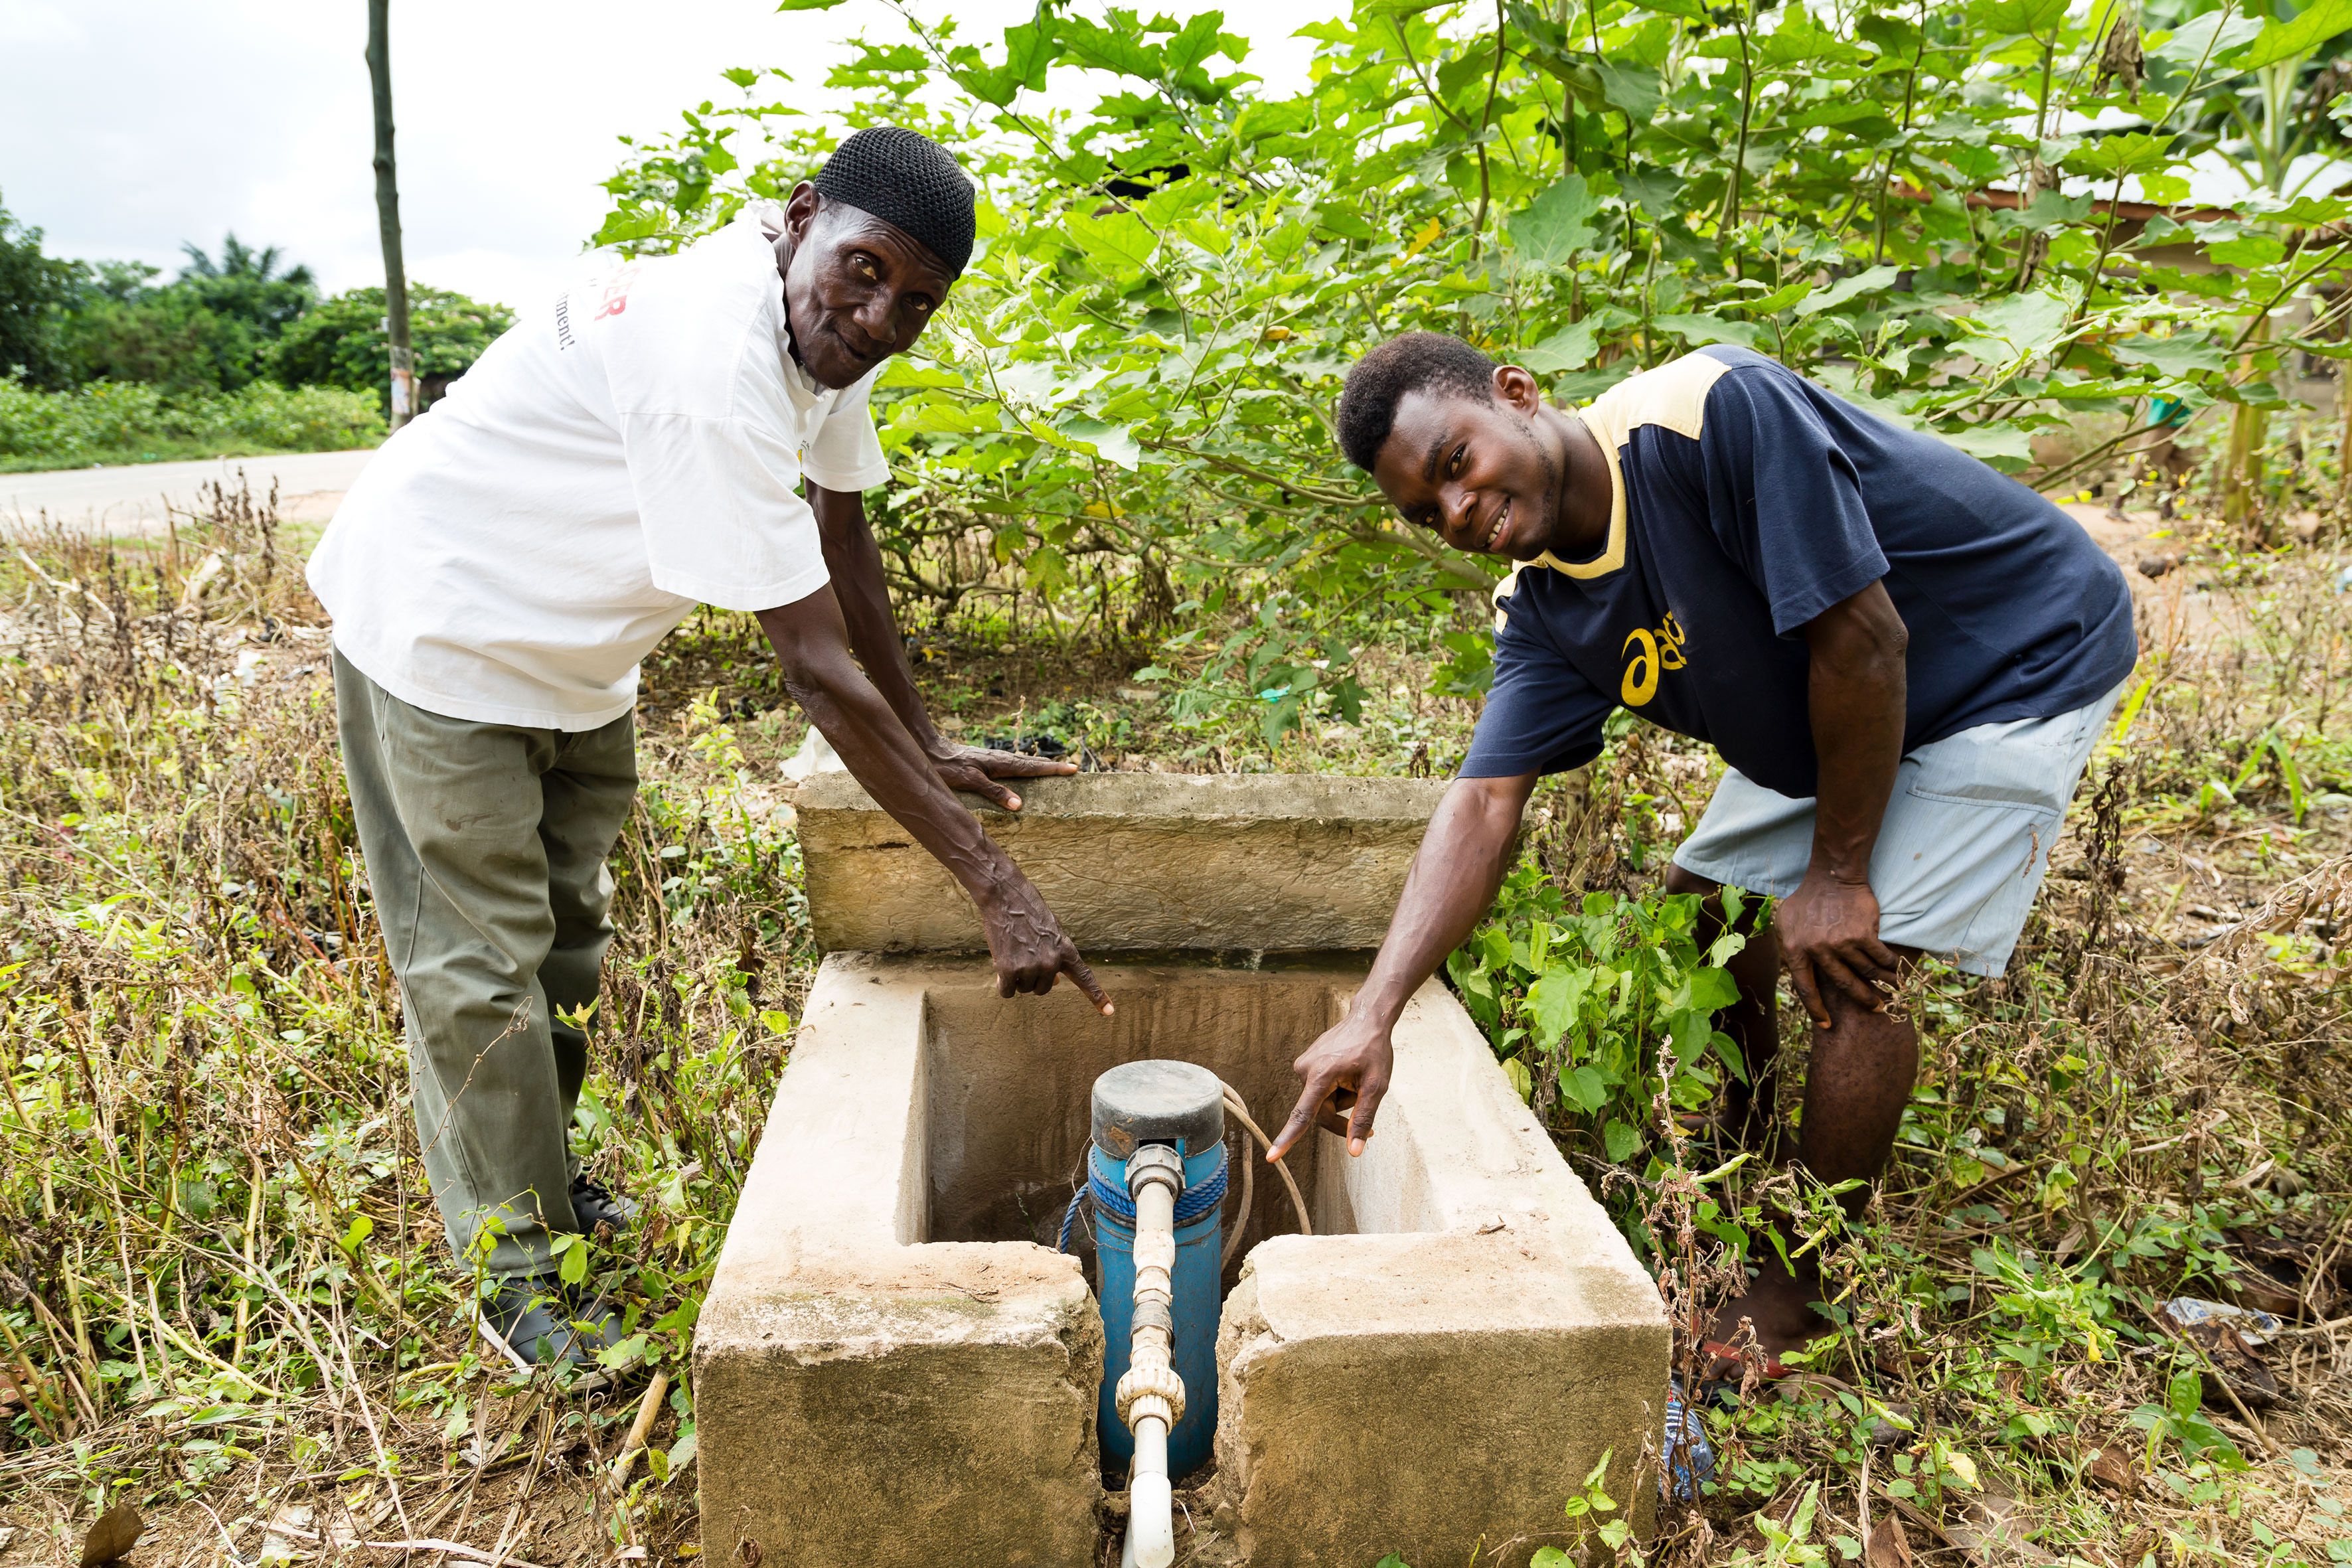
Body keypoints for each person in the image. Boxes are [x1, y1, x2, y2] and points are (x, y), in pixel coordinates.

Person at [307, 127, 1111, 1375]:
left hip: (578, 657)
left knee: (567, 943)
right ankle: (516, 1273)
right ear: (801, 218)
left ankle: (549, 1194)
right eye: (864, 274)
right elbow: (810, 662)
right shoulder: (704, 350)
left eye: (918, 303)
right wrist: (995, 884)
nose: (881, 317)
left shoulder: (830, 333)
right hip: (443, 630)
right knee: (477, 970)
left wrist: (929, 738)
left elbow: (842, 536)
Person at [1271, 334, 2136, 1364]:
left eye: (1455, 464)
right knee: (1698, 906)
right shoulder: (1545, 604)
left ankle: (1801, 1288)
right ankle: (1753, 1148)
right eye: (1425, 511)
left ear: (1516, 394)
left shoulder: (1707, 416)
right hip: (1843, 700)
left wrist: (1838, 876)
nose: (1456, 513)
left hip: (2010, 658)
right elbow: (1485, 805)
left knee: (1854, 962)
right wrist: (1373, 1013)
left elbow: (1866, 641)